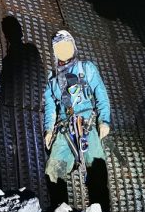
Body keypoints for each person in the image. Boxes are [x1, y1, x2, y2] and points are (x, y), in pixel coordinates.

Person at [42, 29, 112, 187]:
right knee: (53, 172)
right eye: (59, 48)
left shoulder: (86, 68)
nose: (64, 51)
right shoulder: (52, 80)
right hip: (65, 129)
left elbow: (100, 93)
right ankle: (59, 209)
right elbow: (50, 107)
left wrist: (104, 121)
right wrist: (49, 129)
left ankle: (101, 209)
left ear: (73, 47)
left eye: (66, 46)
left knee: (96, 167)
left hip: (87, 124)